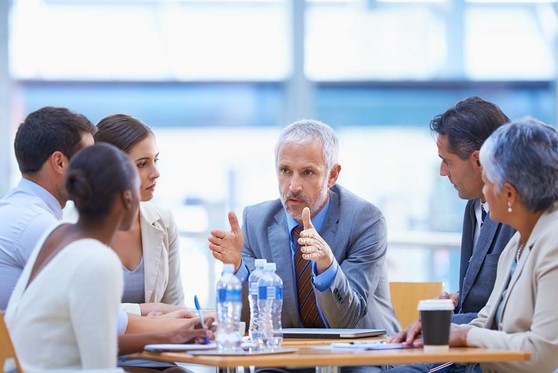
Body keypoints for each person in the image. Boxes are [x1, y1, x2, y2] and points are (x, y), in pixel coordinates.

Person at [389, 117, 558, 372]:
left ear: (509, 194)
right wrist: (445, 331)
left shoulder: (552, 242)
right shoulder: (516, 246)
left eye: (488, 184)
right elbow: (483, 322)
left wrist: (465, 336)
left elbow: (543, 353)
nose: (484, 195)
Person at [209, 119, 399, 335]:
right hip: (288, 357)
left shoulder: (365, 220)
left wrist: (327, 265)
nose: (293, 186)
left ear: (332, 175)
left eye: (307, 172)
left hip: (360, 354)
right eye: (285, 170)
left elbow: (346, 319)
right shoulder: (256, 221)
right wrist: (236, 269)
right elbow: (247, 322)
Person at [5, 142, 139, 370]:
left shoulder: (57, 234)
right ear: (127, 198)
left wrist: (171, 336)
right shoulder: (99, 261)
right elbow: (100, 368)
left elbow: (85, 339)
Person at [0, 106, 96, 311]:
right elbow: (90, 310)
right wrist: (173, 327)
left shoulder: (17, 208)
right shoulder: (36, 224)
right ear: (60, 162)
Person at [431, 97, 515, 325]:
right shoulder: (473, 207)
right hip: (468, 344)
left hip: (490, 353)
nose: (442, 172)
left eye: (447, 161)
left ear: (478, 160)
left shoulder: (518, 216)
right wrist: (458, 301)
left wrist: (447, 326)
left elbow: (510, 317)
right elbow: (483, 300)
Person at [94, 114, 184, 314]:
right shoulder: (76, 230)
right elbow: (86, 311)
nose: (156, 172)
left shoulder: (163, 221)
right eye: (142, 164)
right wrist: (145, 310)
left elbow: (175, 305)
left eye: (155, 160)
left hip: (154, 344)